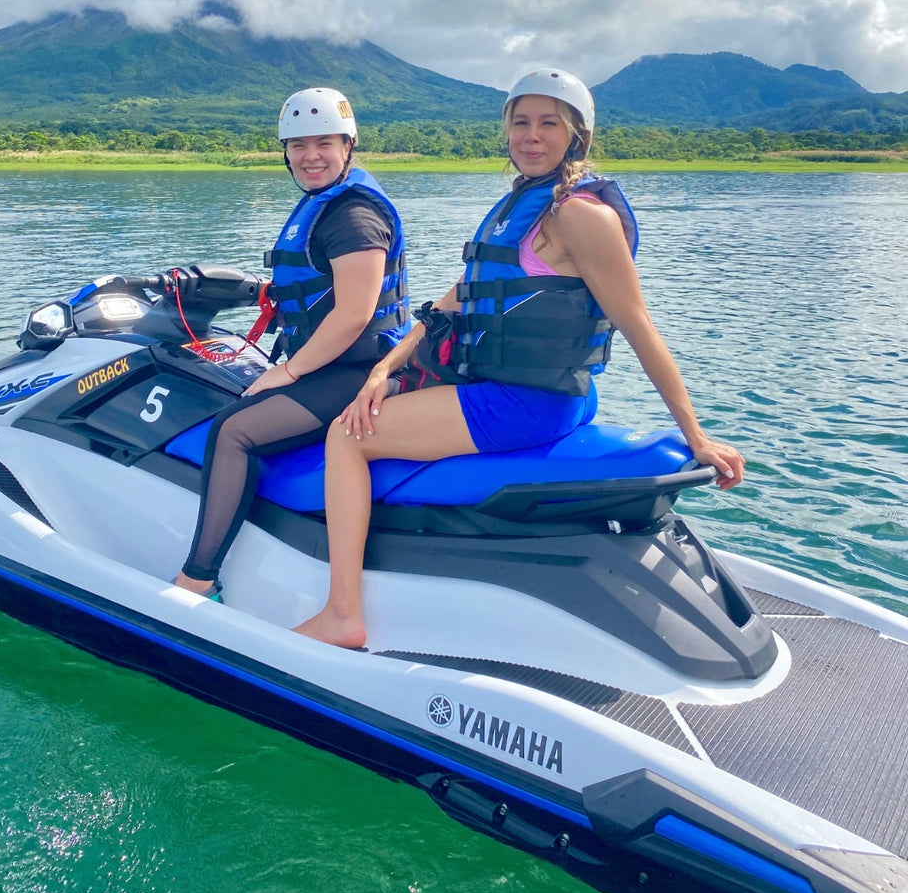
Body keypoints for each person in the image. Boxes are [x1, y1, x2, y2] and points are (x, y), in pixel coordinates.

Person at [295, 67, 746, 647]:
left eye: (548, 124)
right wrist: (386, 367)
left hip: (525, 402)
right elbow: (455, 300)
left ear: (576, 134)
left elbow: (639, 327)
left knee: (347, 437)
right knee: (375, 408)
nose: (531, 136)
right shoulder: (521, 207)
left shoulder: (580, 215)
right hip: (536, 392)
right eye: (521, 123)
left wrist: (698, 435)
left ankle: (342, 615)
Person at [173, 86, 409, 598]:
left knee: (233, 430)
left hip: (357, 370)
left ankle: (197, 578)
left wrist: (290, 370)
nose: (311, 156)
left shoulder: (352, 215)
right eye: (298, 145)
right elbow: (318, 285)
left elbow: (354, 313)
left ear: (349, 145)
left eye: (325, 143)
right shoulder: (321, 206)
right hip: (335, 364)